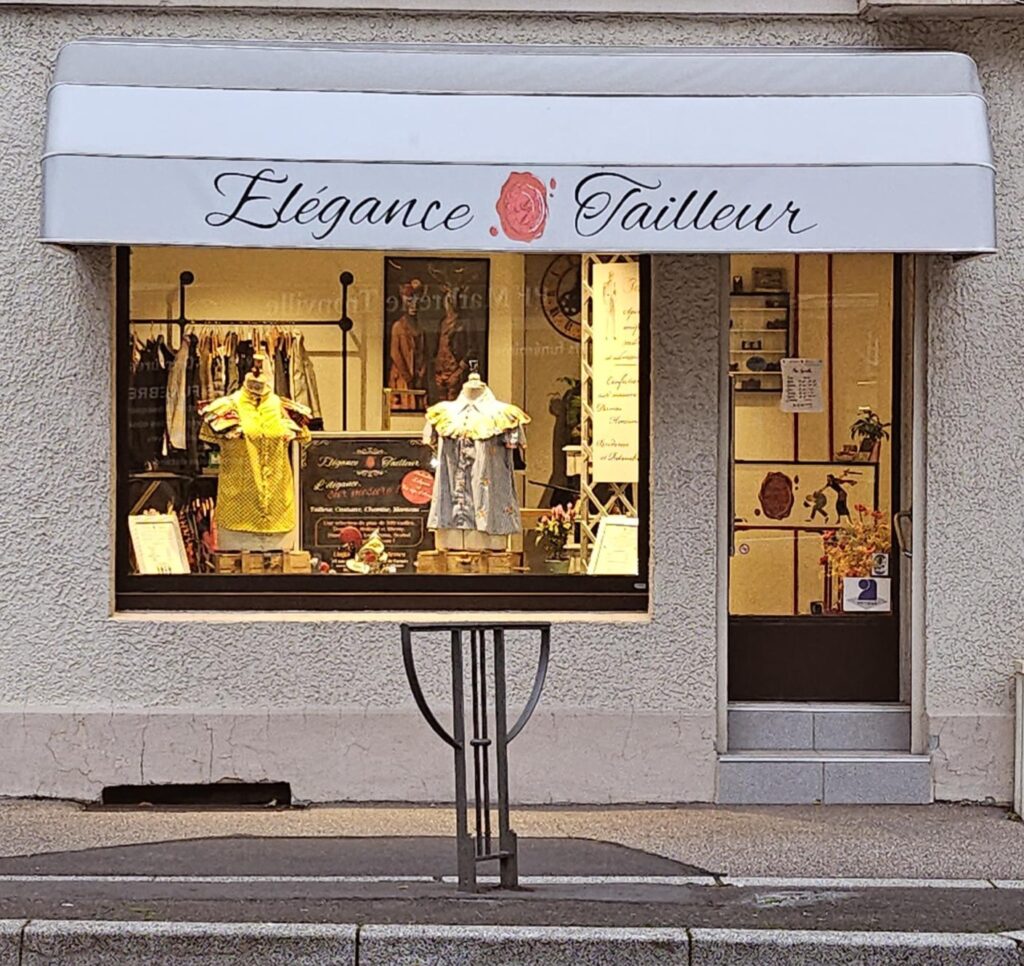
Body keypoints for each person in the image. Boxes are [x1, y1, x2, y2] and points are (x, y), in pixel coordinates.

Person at [388, 278, 427, 412]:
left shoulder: (420, 328)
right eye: (410, 301)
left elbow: (423, 352)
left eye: (417, 301)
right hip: (403, 378)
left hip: (417, 377)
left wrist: (421, 372)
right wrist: (407, 376)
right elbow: (395, 353)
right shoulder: (398, 326)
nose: (414, 306)